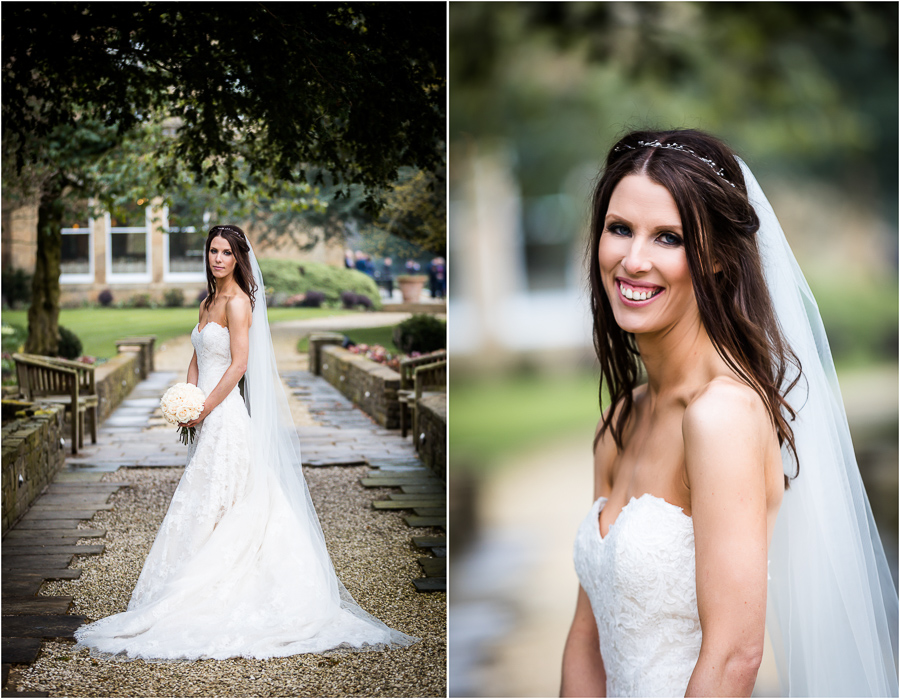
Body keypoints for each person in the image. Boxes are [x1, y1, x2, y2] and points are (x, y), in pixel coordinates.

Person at [560, 130, 897, 697]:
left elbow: (734, 655)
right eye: (620, 229)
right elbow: (586, 637)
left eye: (667, 237)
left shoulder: (723, 417)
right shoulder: (619, 422)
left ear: (716, 256)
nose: (633, 260)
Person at [75, 225, 417, 660]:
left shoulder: (238, 303)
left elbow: (237, 365)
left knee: (232, 494)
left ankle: (234, 581)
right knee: (205, 496)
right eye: (213, 251)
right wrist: (187, 398)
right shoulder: (207, 301)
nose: (218, 258)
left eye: (226, 252)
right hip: (205, 412)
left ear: (239, 258)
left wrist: (206, 407)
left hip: (227, 415)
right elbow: (198, 356)